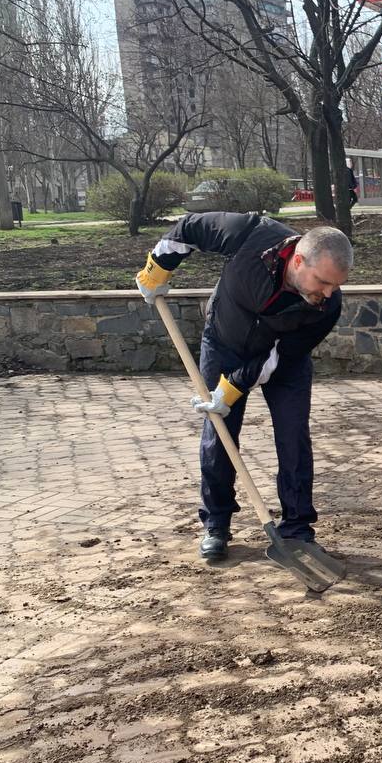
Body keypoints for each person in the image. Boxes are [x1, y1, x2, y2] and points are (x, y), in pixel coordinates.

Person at [134, 212, 352, 560]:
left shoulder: (328, 306)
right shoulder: (251, 236)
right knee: (220, 431)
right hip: (224, 343)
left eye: (335, 285)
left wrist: (232, 387)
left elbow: (278, 356)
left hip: (283, 361)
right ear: (298, 260)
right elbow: (189, 228)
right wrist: (159, 266)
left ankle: (297, 529)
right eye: (322, 281)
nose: (327, 293)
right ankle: (216, 523)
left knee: (293, 437)